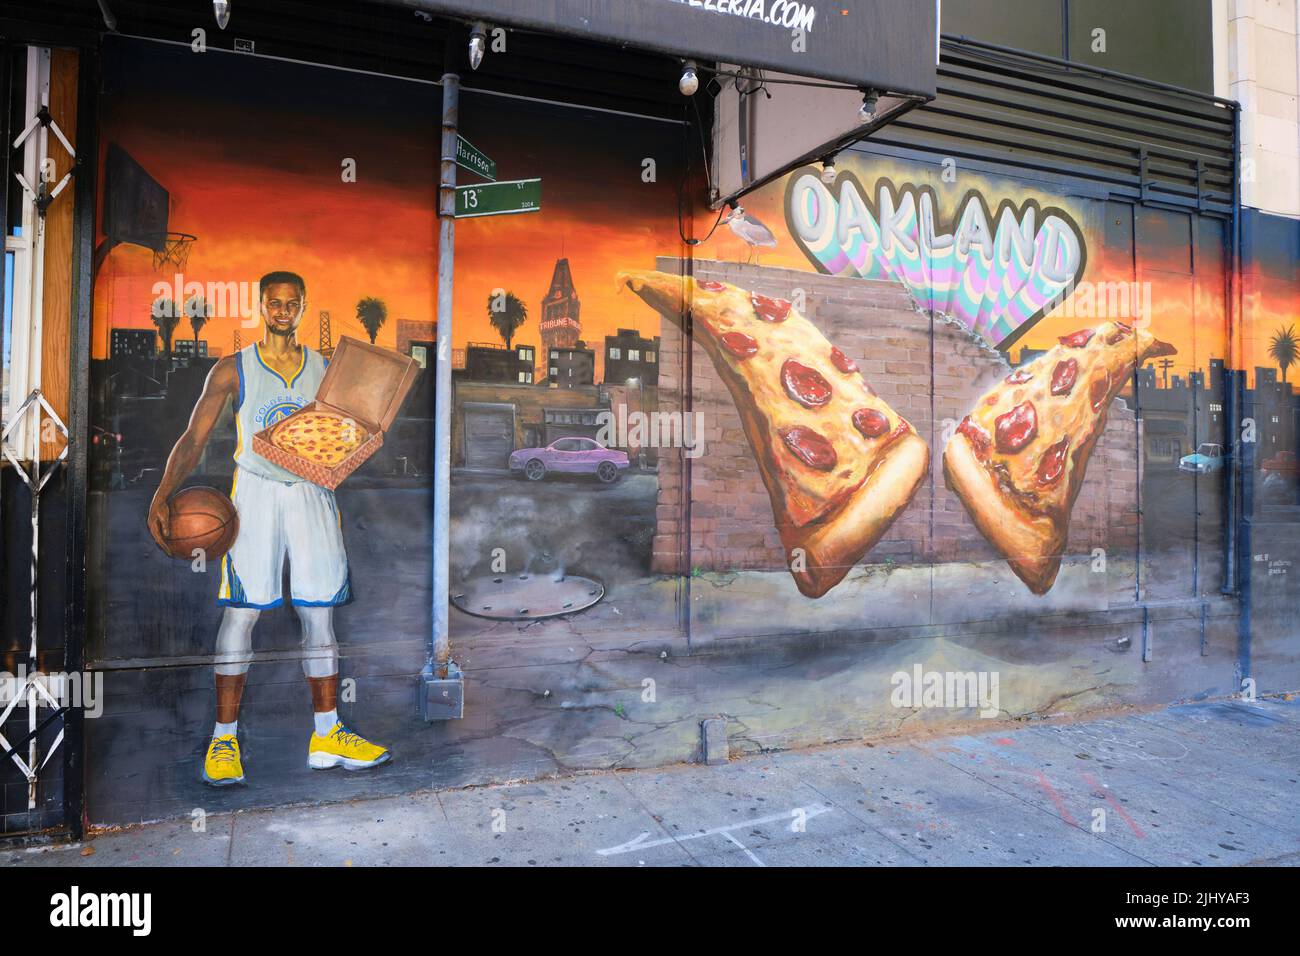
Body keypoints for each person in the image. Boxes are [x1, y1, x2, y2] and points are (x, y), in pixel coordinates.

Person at [147, 271, 390, 786]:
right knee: (241, 613)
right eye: (274, 302)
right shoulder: (232, 370)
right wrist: (162, 493)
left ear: (303, 307)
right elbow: (194, 437)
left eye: (292, 303)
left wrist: (369, 438)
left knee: (318, 614)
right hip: (254, 491)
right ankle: (223, 738)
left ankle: (327, 734)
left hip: (311, 493)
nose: (283, 310)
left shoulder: (325, 369)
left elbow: (349, 434)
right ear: (262, 305)